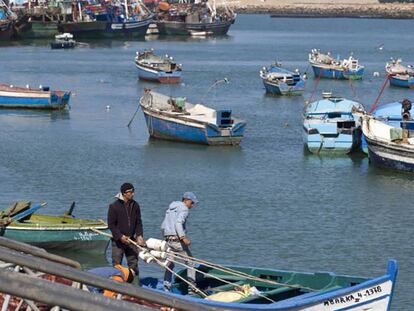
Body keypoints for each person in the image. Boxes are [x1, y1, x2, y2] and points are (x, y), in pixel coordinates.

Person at [161, 192, 198, 294]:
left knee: (170, 264)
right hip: (177, 241)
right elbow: (178, 223)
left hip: (168, 240)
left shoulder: (171, 209)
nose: (193, 205)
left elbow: (163, 226)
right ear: (186, 200)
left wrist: (166, 239)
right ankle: (192, 289)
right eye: (192, 202)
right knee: (190, 262)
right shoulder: (184, 209)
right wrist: (183, 237)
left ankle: (166, 288)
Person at [108, 183, 146, 277]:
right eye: (130, 192)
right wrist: (120, 236)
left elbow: (138, 222)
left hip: (131, 240)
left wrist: (139, 236)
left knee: (134, 266)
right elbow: (111, 225)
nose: (133, 194)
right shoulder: (114, 206)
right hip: (118, 241)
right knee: (117, 266)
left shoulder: (135, 205)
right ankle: (115, 286)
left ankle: (133, 287)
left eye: (133, 191)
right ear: (124, 193)